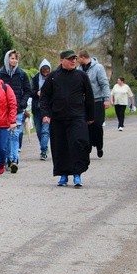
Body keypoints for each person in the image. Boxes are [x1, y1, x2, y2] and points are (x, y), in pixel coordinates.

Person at [40, 50, 95, 188]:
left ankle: (77, 174)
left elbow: (89, 97)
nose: (73, 61)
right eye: (70, 59)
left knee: (79, 143)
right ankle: (63, 174)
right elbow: (44, 96)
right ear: (61, 60)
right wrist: (45, 114)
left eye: (75, 59)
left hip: (77, 116)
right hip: (58, 117)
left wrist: (90, 116)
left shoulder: (81, 76)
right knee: (60, 147)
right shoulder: (53, 77)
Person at [0, 49, 30, 174]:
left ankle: (14, 160)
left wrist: (22, 103)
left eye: (16, 58)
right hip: (4, 110)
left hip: (18, 109)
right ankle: (8, 159)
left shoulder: (21, 74)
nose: (14, 60)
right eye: (12, 58)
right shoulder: (0, 74)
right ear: (7, 59)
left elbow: (28, 90)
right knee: (7, 135)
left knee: (15, 134)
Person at [77, 50, 110, 158]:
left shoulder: (98, 68)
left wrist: (106, 99)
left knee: (97, 124)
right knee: (86, 125)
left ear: (83, 57)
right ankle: (89, 145)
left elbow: (104, 84)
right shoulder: (79, 69)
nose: (77, 61)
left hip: (97, 100)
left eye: (78, 58)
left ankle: (99, 145)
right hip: (84, 101)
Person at [31, 59, 52, 161]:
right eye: (44, 71)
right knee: (39, 131)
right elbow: (30, 91)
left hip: (47, 109)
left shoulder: (52, 79)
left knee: (45, 130)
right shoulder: (35, 79)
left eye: (47, 70)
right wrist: (37, 93)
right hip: (37, 108)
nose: (45, 73)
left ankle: (43, 150)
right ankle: (44, 146)